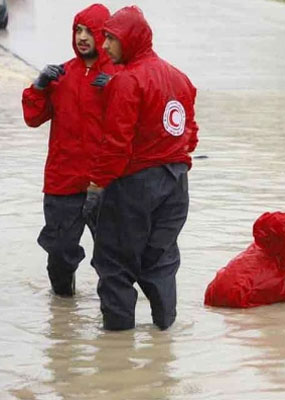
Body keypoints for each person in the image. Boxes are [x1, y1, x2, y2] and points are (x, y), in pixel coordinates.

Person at [87, 6, 199, 330]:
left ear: (130, 39)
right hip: (177, 184)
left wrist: (96, 187)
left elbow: (115, 145)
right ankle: (164, 343)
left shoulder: (127, 81)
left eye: (110, 38)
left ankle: (117, 354)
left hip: (134, 185)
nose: (104, 46)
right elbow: (190, 134)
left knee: (115, 265)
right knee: (161, 263)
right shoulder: (181, 78)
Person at [21, 3, 118, 297]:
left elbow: (139, 126)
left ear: (106, 36)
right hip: (63, 182)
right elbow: (33, 119)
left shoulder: (121, 75)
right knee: (60, 254)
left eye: (90, 31)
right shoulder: (60, 75)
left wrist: (117, 87)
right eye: (78, 30)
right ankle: (63, 318)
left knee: (113, 257)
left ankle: (113, 321)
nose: (83, 37)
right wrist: (38, 87)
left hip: (106, 184)